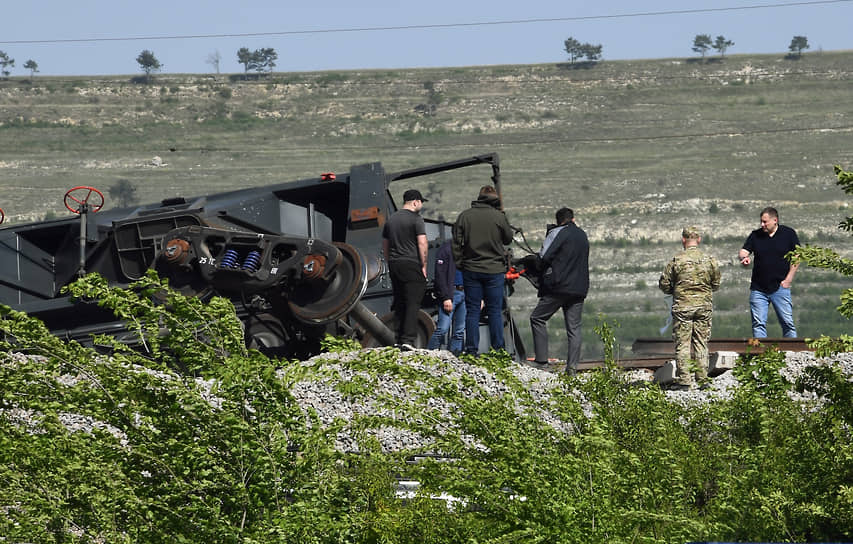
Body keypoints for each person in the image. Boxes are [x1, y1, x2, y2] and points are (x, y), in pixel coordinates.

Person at [452, 185, 514, 355]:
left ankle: (471, 350)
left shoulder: (465, 216)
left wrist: (460, 263)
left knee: (472, 310)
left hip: (471, 269)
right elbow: (508, 239)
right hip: (494, 270)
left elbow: (455, 243)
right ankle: (498, 350)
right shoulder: (498, 217)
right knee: (494, 310)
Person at [658, 226, 721, 389]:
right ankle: (703, 379)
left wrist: (677, 291)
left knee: (683, 343)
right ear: (699, 240)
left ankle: (684, 380)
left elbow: (664, 284)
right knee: (701, 342)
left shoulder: (677, 260)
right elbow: (716, 284)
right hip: (703, 306)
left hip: (683, 307)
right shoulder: (709, 259)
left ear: (683, 239)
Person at [529, 208, 589, 375]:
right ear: (573, 219)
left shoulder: (558, 232)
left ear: (558, 220)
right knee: (574, 328)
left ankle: (541, 361)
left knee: (537, 318)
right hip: (579, 288)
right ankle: (572, 369)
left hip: (559, 287)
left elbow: (543, 257)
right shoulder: (582, 235)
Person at [738, 207, 800, 338]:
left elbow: (797, 256)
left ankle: (792, 352)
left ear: (775, 220)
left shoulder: (788, 234)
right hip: (758, 288)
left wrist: (788, 279)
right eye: (761, 221)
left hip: (780, 287)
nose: (762, 224)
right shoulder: (756, 235)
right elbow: (744, 251)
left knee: (787, 323)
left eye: (765, 222)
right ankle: (761, 354)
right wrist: (744, 258)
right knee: (758, 324)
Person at [382, 189, 429, 349]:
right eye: (421, 202)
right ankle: (408, 341)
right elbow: (422, 243)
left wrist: (391, 262)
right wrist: (423, 265)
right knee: (413, 301)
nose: (421, 205)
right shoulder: (416, 219)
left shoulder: (391, 220)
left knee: (400, 301)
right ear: (415, 201)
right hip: (411, 263)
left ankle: (398, 339)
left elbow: (385, 246)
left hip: (395, 264)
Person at [426, 240, 466, 354]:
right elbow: (440, 275)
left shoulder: (469, 250)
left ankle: (454, 357)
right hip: (451, 293)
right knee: (443, 328)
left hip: (465, 292)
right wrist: (445, 297)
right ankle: (430, 355)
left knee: (459, 331)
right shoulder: (446, 249)